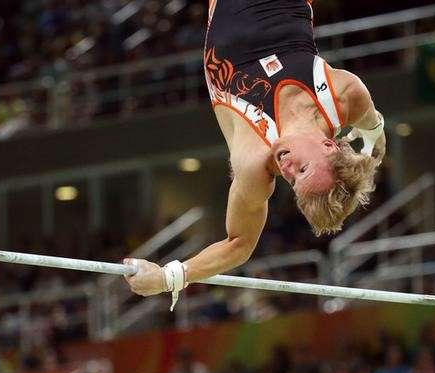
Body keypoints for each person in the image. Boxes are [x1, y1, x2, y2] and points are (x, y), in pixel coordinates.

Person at [124, 0, 387, 305]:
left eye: (292, 182)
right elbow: (370, 117)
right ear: (329, 146)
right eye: (302, 170)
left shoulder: (255, 164)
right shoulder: (342, 95)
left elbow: (240, 244)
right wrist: (375, 131)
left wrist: (168, 278)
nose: (287, 170)